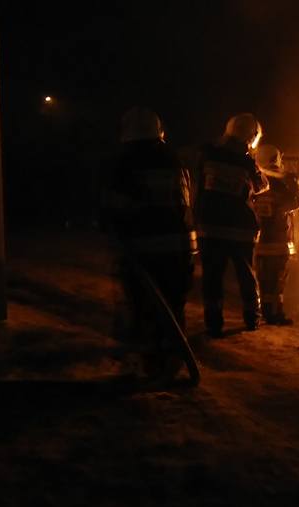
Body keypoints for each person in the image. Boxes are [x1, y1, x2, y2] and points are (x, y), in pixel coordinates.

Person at [102, 106, 196, 380]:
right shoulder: (174, 160)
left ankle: (150, 363)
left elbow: (114, 208)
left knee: (143, 306)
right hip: (179, 249)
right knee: (173, 305)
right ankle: (173, 359)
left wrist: (114, 236)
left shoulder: (124, 163)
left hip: (143, 250)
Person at [195, 113, 268, 337]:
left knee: (212, 277)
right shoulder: (247, 161)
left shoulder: (208, 153)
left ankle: (213, 324)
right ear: (252, 136)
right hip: (240, 229)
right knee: (246, 274)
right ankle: (252, 319)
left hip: (211, 226)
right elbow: (262, 186)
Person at [252, 142, 299, 325]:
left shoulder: (256, 182)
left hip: (258, 244)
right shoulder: (282, 184)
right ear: (276, 159)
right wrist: (296, 187)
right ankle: (275, 314)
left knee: (262, 281)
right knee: (276, 283)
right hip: (278, 243)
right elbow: (294, 202)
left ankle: (262, 312)